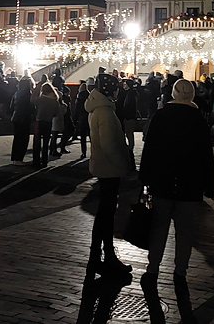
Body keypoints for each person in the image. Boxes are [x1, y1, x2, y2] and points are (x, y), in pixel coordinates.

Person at [138, 78, 214, 324]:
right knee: (185, 231)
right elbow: (206, 154)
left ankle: (152, 269)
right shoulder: (198, 119)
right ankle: (180, 271)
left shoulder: (161, 117)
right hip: (190, 183)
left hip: (162, 181)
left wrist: (144, 178)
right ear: (191, 95)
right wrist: (209, 185)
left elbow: (149, 149)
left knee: (159, 227)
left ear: (172, 93)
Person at [85, 71, 134, 276]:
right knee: (106, 214)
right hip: (109, 168)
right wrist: (123, 165)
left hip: (104, 166)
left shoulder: (98, 108)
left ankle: (101, 255)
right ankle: (101, 256)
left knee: (105, 213)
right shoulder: (104, 111)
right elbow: (109, 145)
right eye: (115, 88)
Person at [31, 81, 60, 168]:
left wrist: (36, 89)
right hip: (48, 122)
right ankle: (44, 161)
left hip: (39, 121)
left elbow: (32, 100)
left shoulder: (41, 99)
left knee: (37, 142)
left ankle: (36, 161)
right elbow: (57, 113)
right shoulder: (55, 100)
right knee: (46, 142)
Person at [9, 76, 35, 165]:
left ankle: (15, 158)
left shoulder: (16, 94)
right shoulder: (29, 95)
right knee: (23, 139)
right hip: (25, 119)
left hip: (16, 117)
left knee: (17, 138)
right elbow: (32, 108)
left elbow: (11, 107)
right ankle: (19, 158)